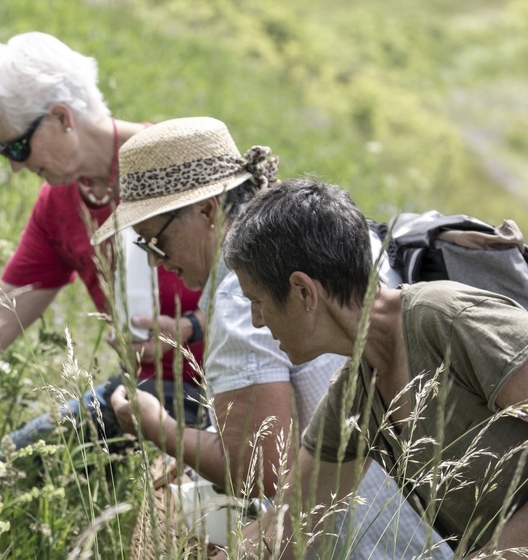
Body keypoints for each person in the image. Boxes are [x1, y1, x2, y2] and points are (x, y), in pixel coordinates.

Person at [221, 179, 528, 559]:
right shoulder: (357, 391)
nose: (256, 320)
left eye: (257, 300)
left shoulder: (446, 319)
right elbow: (292, 522)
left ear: (305, 292)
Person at [94, 117, 451, 559]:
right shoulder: (329, 237)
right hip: (436, 530)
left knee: (168, 511)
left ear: (207, 210)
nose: (154, 263)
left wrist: (158, 428)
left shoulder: (237, 292)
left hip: (362, 542)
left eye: (155, 243)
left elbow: (260, 470)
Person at [0, 32, 208, 451]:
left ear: (62, 117)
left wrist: (190, 329)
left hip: (236, 393)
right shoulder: (58, 206)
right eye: (2, 151)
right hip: (137, 394)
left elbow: (274, 284)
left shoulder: (181, 164)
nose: (14, 167)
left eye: (18, 146)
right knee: (0, 469)